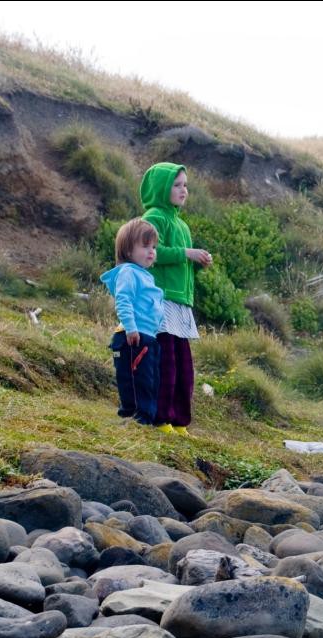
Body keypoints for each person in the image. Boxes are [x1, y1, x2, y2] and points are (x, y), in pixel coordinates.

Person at [139, 162, 212, 435]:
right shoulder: (153, 217)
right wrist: (186, 254)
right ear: (162, 188)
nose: (184, 190)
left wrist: (196, 262)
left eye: (185, 185)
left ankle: (179, 420)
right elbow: (151, 252)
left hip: (180, 302)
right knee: (164, 362)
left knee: (183, 366)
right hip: (160, 299)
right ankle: (160, 417)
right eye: (177, 185)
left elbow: (181, 259)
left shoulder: (181, 224)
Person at [100, 219, 164, 426]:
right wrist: (131, 327)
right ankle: (137, 417)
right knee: (138, 379)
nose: (151, 251)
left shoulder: (146, 276)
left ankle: (145, 417)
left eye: (153, 246)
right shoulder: (128, 272)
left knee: (150, 378)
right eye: (145, 246)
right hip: (134, 335)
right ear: (127, 250)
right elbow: (123, 300)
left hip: (148, 336)